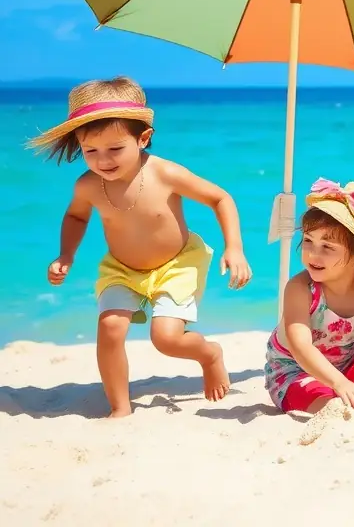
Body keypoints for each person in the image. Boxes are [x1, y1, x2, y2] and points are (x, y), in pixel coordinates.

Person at [31, 77, 252, 418]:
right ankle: (120, 407)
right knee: (110, 327)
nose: (103, 160)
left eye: (115, 149)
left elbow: (219, 198)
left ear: (143, 137)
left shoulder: (165, 173)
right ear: (79, 143)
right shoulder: (87, 185)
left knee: (166, 338)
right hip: (122, 268)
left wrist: (233, 248)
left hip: (177, 264)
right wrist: (66, 255)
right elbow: (76, 218)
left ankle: (209, 354)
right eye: (91, 151)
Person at [265, 177, 354, 414]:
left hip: (348, 370)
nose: (313, 254)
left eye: (328, 247)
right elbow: (301, 347)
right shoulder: (301, 288)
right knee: (334, 408)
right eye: (309, 241)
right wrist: (339, 383)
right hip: (297, 373)